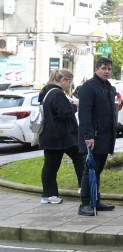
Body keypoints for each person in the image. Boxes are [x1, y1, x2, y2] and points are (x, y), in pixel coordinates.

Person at [76, 57, 117, 216]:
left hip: (105, 135)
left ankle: (95, 199)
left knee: (98, 169)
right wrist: (88, 135)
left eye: (109, 69)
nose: (106, 71)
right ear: (96, 69)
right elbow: (84, 112)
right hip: (93, 136)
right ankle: (85, 203)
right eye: (103, 68)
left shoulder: (109, 87)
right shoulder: (88, 87)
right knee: (90, 168)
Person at [38, 69, 84, 205]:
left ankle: (48, 194)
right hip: (63, 136)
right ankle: (83, 187)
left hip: (50, 135)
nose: (69, 85)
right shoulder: (57, 93)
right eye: (69, 82)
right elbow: (65, 113)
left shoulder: (46, 91)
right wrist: (74, 106)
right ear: (63, 80)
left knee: (50, 166)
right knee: (80, 158)